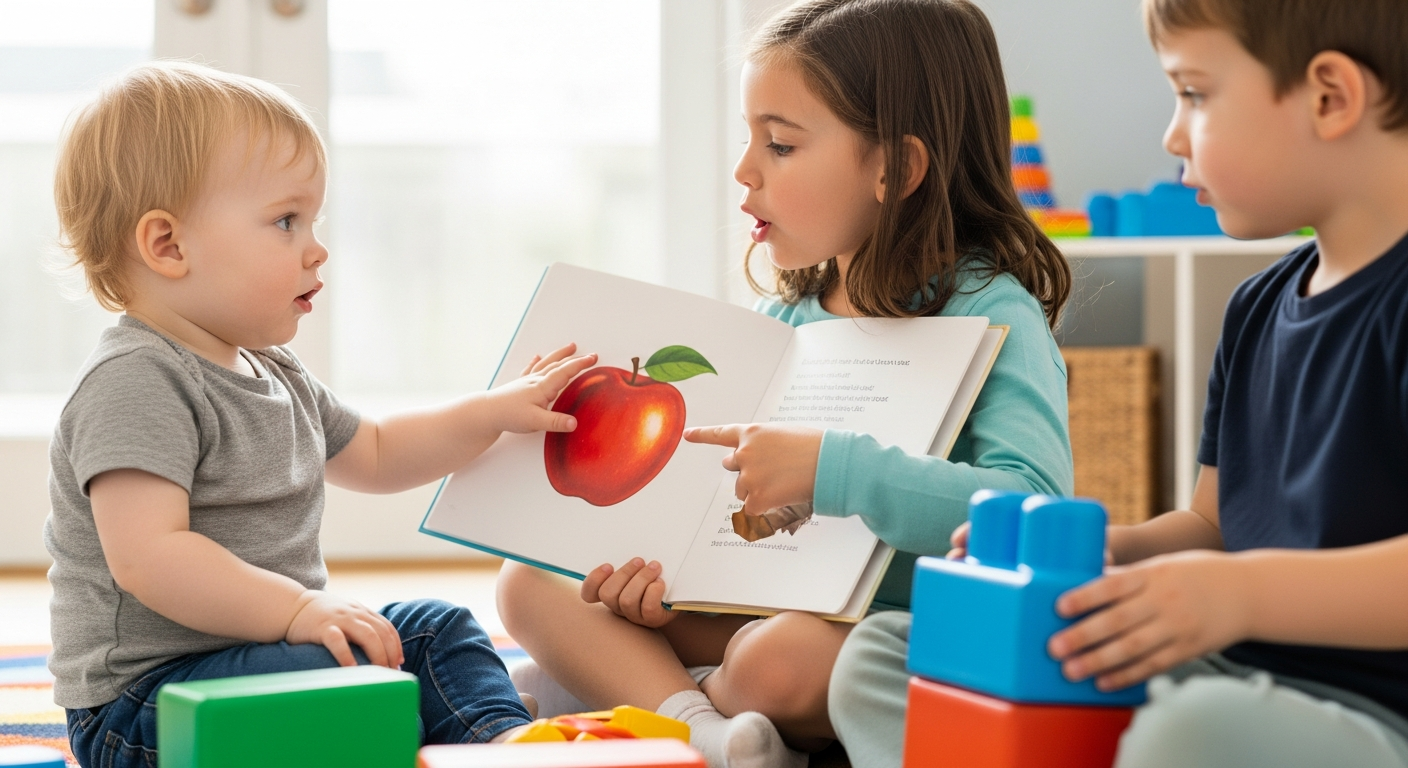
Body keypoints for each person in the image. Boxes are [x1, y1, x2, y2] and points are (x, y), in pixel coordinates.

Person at [828, 1, 1408, 766]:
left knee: (1188, 732)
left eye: (1194, 94)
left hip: (1371, 716)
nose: (1173, 135)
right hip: (1229, 674)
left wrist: (1235, 596)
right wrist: (1093, 565)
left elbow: (1236, 575)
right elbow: (1212, 529)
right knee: (883, 657)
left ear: (1330, 96)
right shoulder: (1259, 307)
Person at [495, 1, 1074, 765]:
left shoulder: (993, 313)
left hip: (870, 628)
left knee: (785, 660)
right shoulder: (784, 317)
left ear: (895, 169)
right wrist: (659, 574)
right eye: (747, 138)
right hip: (750, 604)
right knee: (527, 582)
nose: (743, 170)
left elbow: (1035, 509)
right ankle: (705, 727)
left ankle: (646, 697)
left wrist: (838, 470)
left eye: (779, 144)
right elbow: (729, 510)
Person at [45, 61, 597, 768]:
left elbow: (375, 450)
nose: (317, 247)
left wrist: (492, 413)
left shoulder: (273, 370)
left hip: (267, 657)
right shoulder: (135, 381)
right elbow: (151, 558)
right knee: (355, 672)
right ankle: (445, 723)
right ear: (168, 245)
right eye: (285, 221)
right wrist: (297, 611)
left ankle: (501, 742)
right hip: (148, 706)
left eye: (312, 219)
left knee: (433, 628)